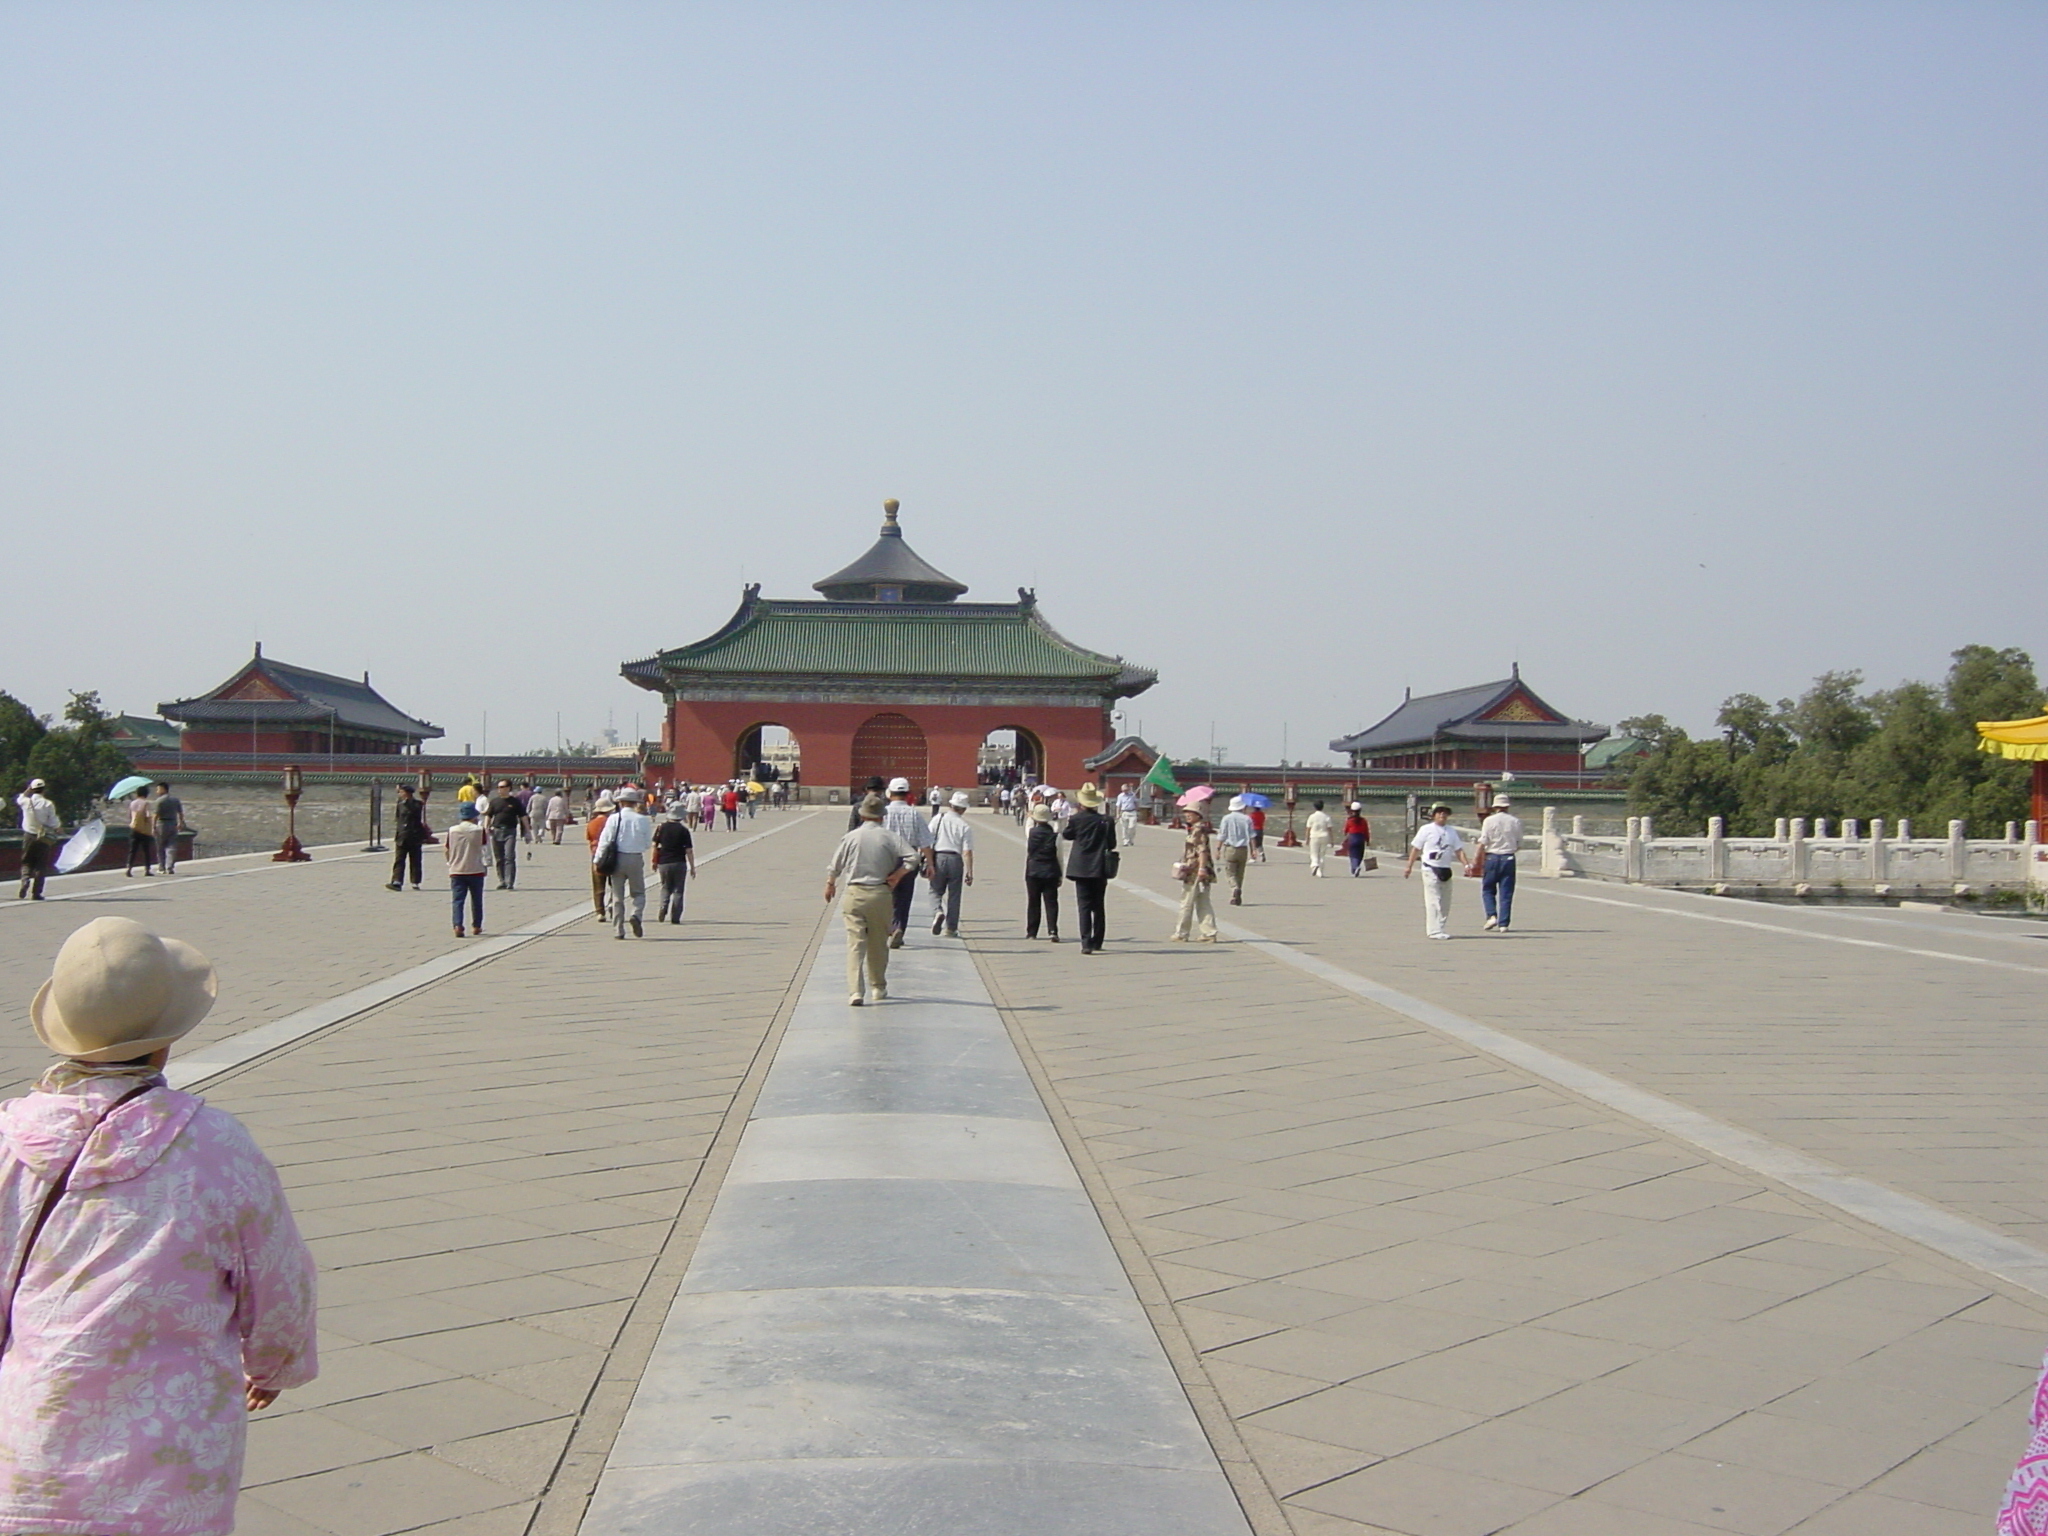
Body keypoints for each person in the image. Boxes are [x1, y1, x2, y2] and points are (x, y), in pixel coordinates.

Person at [0, 917, 317, 1533]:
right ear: (165, 1040)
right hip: (173, 1466)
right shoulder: (215, 1145)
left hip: (31, 1449)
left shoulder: (10, 1140)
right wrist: (275, 1362)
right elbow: (279, 1275)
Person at [823, 795, 916, 1005]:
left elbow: (835, 864)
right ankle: (878, 987)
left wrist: (830, 883)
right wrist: (899, 874)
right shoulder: (891, 837)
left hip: (854, 893)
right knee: (878, 943)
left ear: (862, 815)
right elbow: (913, 857)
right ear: (882, 817)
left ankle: (855, 991)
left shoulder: (851, 837)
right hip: (880, 893)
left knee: (855, 943)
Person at [1062, 782, 1115, 955]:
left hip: (1081, 866)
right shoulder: (1106, 820)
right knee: (1098, 905)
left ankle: (1085, 942)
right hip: (1100, 866)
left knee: (1083, 905)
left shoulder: (1077, 819)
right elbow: (1112, 844)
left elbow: (1067, 834)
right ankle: (1097, 941)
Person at [596, 788, 655, 939]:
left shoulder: (614, 819)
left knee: (617, 895)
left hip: (617, 859)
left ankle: (618, 929)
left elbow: (605, 840)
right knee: (639, 892)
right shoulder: (642, 819)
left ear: (620, 802)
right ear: (635, 803)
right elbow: (648, 843)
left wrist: (597, 859)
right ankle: (636, 914)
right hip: (635, 858)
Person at [1403, 803, 1468, 940]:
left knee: (1445, 901)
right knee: (1433, 900)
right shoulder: (1426, 829)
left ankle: (1440, 927)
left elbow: (1458, 850)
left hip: (1445, 868)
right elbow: (1416, 848)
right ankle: (1433, 930)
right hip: (1430, 867)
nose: (1442, 815)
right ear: (1433, 815)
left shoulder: (1451, 831)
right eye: (1439, 813)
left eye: (1445, 813)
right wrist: (1409, 866)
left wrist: (1466, 865)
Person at [881, 777, 932, 949]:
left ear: (890, 793)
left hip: (887, 859)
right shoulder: (914, 814)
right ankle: (900, 927)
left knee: (886, 895)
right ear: (907, 794)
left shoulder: (883, 812)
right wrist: (930, 864)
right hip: (910, 860)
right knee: (905, 897)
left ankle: (891, 927)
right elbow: (925, 842)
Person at [927, 790, 975, 938]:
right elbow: (967, 852)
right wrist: (969, 871)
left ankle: (938, 911)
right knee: (954, 895)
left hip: (939, 857)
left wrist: (928, 862)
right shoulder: (964, 826)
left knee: (935, 890)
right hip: (955, 859)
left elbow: (927, 840)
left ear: (950, 805)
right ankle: (951, 928)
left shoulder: (938, 819)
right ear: (964, 809)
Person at [1169, 805, 1219, 942]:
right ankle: (1209, 933)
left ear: (1198, 814)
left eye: (1191, 813)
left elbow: (1202, 851)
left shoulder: (1198, 830)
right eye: (1186, 813)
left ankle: (1182, 933)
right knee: (1203, 902)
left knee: (1187, 901)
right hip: (1202, 870)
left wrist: (1202, 868)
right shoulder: (1198, 829)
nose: (1187, 815)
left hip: (1195, 871)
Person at [1476, 794, 1524, 933]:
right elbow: (1519, 843)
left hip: (1492, 857)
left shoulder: (1489, 821)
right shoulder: (1515, 821)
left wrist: (1475, 860)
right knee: (1506, 892)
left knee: (1488, 889)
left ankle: (1491, 915)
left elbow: (1483, 841)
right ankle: (1504, 924)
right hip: (1508, 858)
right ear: (1507, 806)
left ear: (1495, 806)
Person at [444, 802, 489, 937]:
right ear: (474, 816)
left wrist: (450, 862)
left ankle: (458, 925)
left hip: (457, 870)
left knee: (458, 900)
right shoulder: (480, 830)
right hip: (476, 869)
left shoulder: (452, 830)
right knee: (477, 899)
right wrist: (486, 865)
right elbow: (486, 849)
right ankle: (476, 925)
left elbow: (447, 849)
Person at [15, 779, 61, 901]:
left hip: (29, 835)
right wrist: (58, 829)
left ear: (32, 788)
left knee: (26, 861)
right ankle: (36, 893)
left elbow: (20, 798)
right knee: (41, 865)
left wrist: (27, 790)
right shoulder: (48, 804)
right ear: (44, 790)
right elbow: (53, 822)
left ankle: (25, 881)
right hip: (43, 837)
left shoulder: (26, 802)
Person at [1023, 802, 1062, 941]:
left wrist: (1029, 817)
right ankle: (1053, 930)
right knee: (1051, 902)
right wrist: (1060, 874)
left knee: (1033, 901)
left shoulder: (1031, 833)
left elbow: (1027, 826)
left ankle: (1032, 932)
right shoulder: (1056, 836)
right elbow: (1060, 856)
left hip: (1033, 870)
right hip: (1051, 870)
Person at [653, 805, 697, 924]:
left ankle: (663, 906)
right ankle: (675, 916)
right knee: (678, 890)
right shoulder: (683, 830)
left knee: (665, 887)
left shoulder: (661, 828)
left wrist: (654, 861)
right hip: (679, 862)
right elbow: (689, 850)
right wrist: (692, 867)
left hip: (664, 862)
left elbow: (655, 846)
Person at [483, 780, 527, 890]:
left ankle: (509, 881)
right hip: (496, 831)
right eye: (498, 787)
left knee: (509, 856)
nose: (499, 789)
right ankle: (502, 880)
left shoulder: (515, 802)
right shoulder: (494, 802)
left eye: (502, 787)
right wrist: (486, 828)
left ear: (508, 788)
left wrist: (527, 831)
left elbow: (523, 816)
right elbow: (488, 815)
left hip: (510, 831)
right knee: (499, 858)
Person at [387, 783, 428, 891]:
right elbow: (398, 818)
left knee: (415, 860)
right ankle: (397, 881)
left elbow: (412, 813)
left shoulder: (417, 804)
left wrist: (407, 801)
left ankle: (415, 881)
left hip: (414, 835)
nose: (399, 794)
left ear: (407, 793)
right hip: (402, 835)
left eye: (401, 792)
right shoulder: (400, 803)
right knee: (399, 859)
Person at [1215, 796, 1255, 907]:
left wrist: (1218, 849)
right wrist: (1253, 850)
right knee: (1240, 873)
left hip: (1230, 848)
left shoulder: (1226, 818)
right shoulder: (1247, 819)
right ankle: (1237, 895)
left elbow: (1222, 835)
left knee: (1230, 872)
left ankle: (1234, 888)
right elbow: (1252, 836)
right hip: (1243, 849)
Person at [585, 794, 615, 918]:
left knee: (598, 884)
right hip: (612, 854)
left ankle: (600, 912)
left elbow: (589, 838)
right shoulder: (612, 822)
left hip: (596, 853)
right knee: (614, 882)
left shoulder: (591, 823)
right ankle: (613, 902)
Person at [152, 782, 187, 875]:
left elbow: (155, 815)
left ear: (163, 789)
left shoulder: (159, 801)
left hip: (162, 824)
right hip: (173, 823)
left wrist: (153, 827)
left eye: (158, 789)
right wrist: (181, 822)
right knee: (171, 846)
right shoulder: (175, 800)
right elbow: (180, 813)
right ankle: (170, 866)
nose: (157, 791)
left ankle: (161, 867)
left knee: (160, 847)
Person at [124, 789, 156, 877]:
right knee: (146, 850)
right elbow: (148, 815)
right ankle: (147, 870)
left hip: (134, 828)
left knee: (132, 850)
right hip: (144, 830)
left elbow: (130, 816)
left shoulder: (132, 803)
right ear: (146, 794)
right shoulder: (146, 803)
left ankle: (129, 868)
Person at [1304, 799, 1334, 877]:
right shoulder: (1326, 817)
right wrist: (1332, 840)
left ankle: (1314, 864)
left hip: (1314, 836)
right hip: (1324, 836)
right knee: (1322, 854)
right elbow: (1330, 829)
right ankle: (1320, 872)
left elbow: (1308, 828)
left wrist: (1307, 839)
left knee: (1314, 853)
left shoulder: (1311, 816)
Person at [1343, 803, 1373, 876]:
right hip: (1361, 838)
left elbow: (1345, 830)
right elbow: (1366, 831)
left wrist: (1345, 834)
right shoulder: (1363, 820)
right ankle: (1357, 866)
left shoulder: (1349, 820)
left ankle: (1355, 867)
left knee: (1353, 855)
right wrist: (1367, 840)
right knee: (1360, 855)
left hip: (1352, 838)